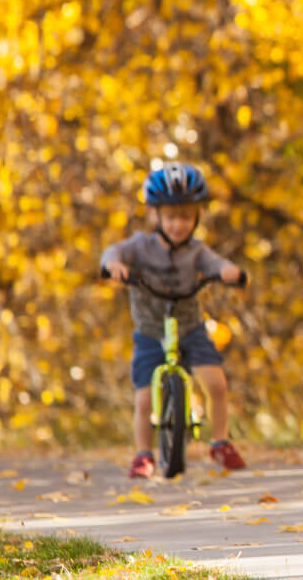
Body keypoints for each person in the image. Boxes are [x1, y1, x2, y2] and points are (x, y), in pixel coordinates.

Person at [101, 161, 248, 478]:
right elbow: (113, 252)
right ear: (155, 215)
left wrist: (229, 273)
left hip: (190, 329)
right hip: (151, 332)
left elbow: (217, 263)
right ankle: (144, 454)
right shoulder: (140, 247)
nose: (178, 224)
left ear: (196, 217)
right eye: (171, 217)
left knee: (216, 384)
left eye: (186, 217)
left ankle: (220, 441)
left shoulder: (196, 251)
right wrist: (114, 266)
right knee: (143, 401)